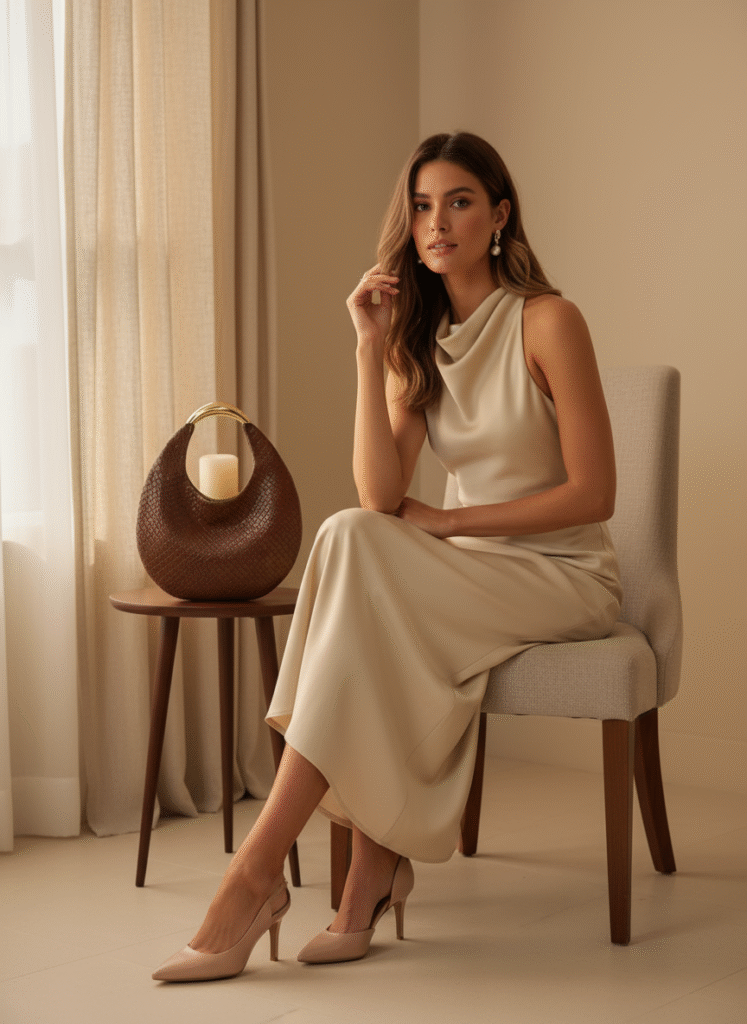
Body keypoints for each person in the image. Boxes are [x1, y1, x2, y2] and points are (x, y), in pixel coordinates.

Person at [152, 131, 622, 982]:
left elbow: (594, 497)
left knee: (360, 556)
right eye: (419, 206)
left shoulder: (549, 321)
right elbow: (376, 496)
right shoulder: (421, 337)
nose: (435, 222)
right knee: (348, 534)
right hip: (473, 574)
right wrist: (370, 350)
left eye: (458, 202)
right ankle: (365, 875)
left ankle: (256, 874)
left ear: (499, 216)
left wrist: (447, 525)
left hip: (562, 576)